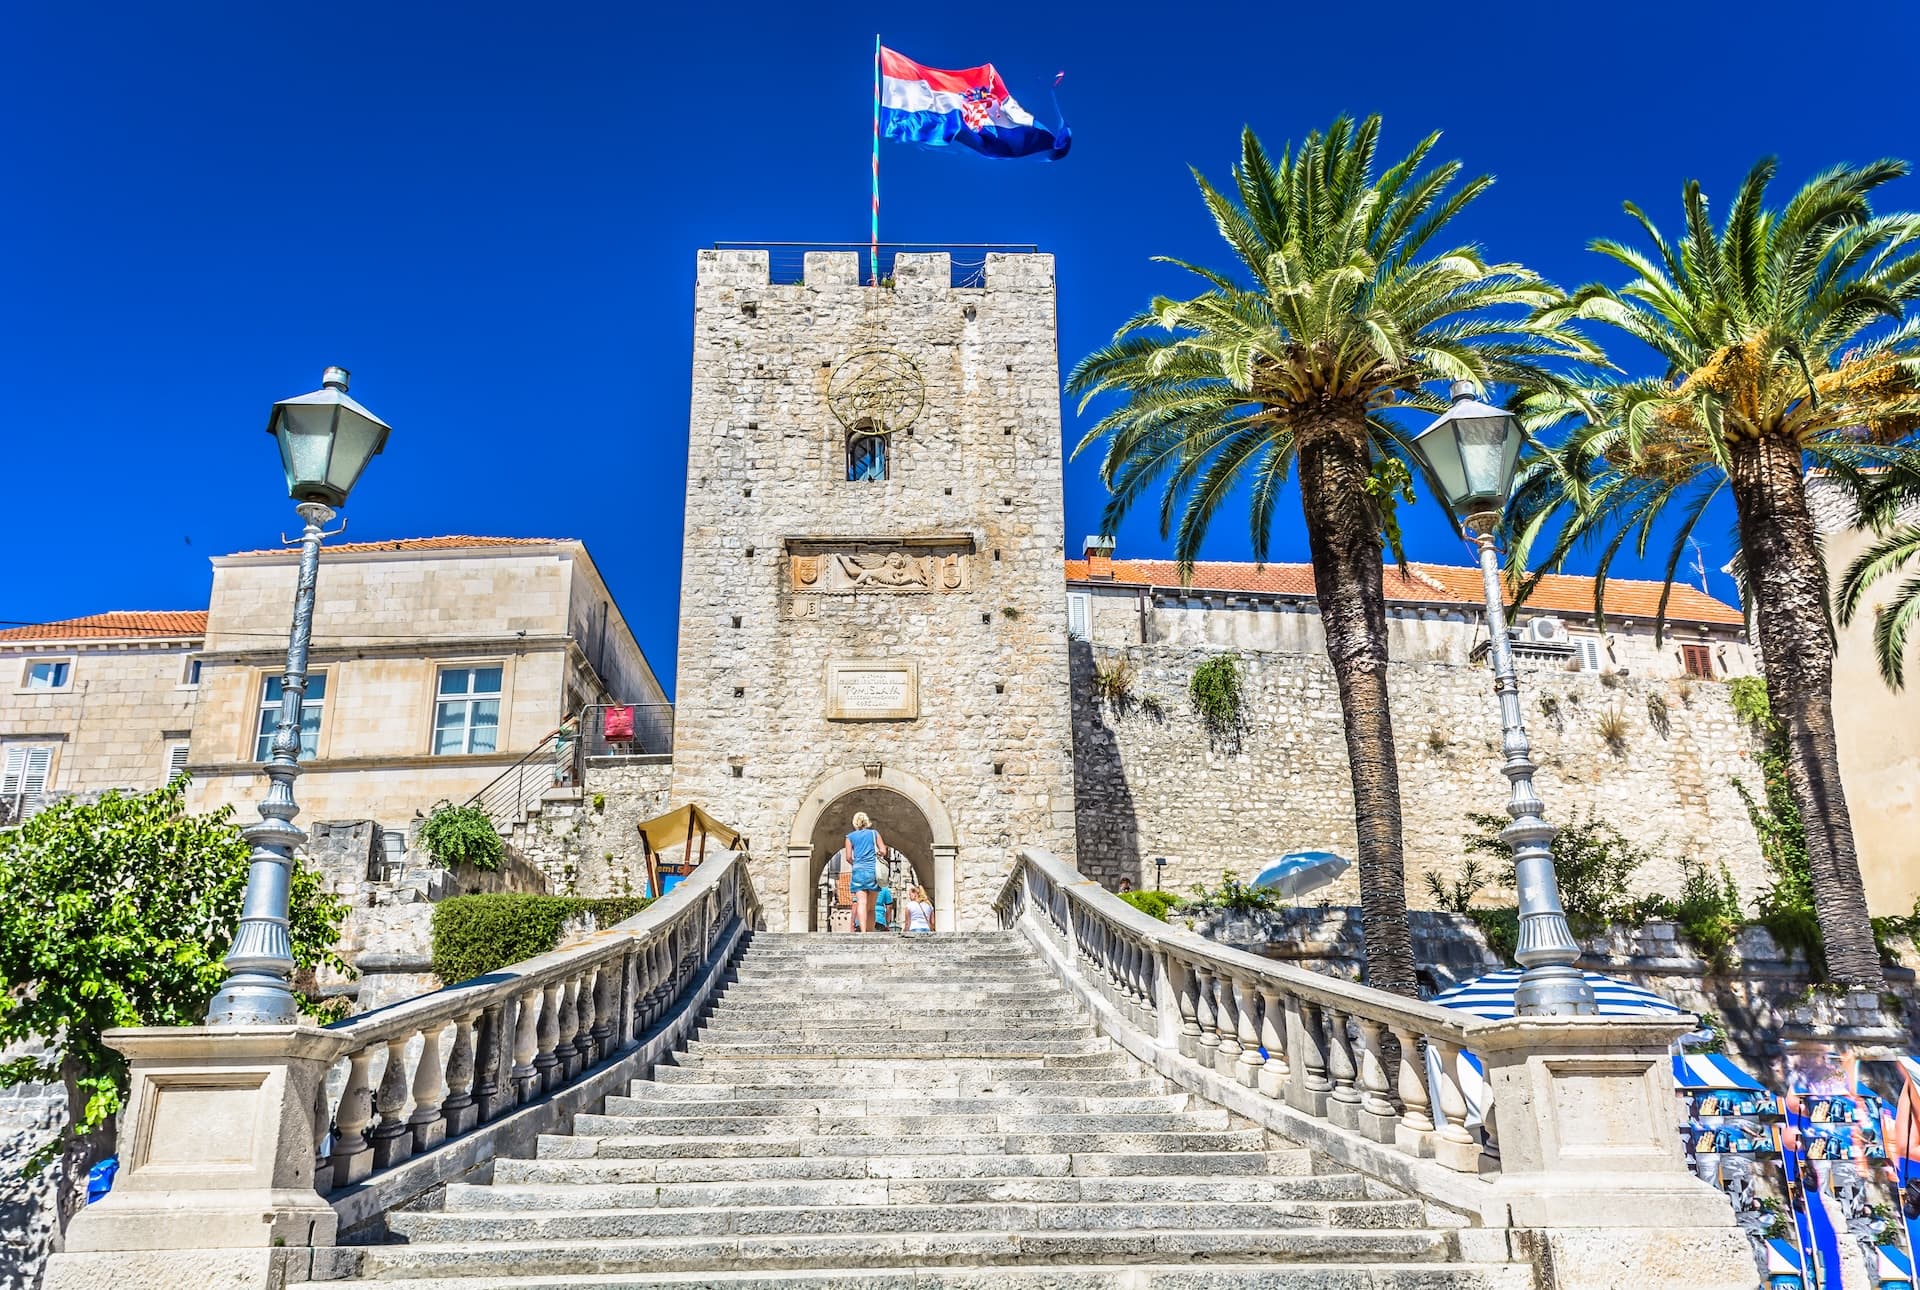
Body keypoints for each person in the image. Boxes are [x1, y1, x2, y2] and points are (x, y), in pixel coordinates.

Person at [840, 812, 887, 933]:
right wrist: (878, 854)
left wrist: (856, 864)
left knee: (861, 903)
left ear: (854, 823)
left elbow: (848, 857)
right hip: (872, 871)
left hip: (858, 871)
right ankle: (871, 931)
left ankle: (863, 932)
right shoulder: (874, 833)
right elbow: (883, 850)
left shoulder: (849, 837)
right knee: (871, 908)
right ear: (867, 822)